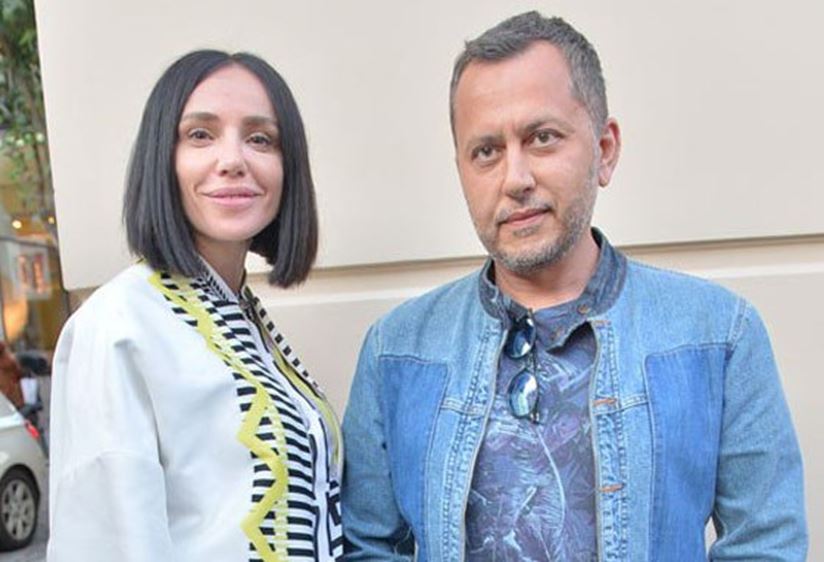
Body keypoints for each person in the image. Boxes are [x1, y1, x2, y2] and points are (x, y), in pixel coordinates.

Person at [341, 11, 807, 561]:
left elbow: (765, 544)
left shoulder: (718, 334)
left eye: (542, 138)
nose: (515, 179)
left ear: (604, 150)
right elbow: (367, 546)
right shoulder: (397, 350)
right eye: (486, 151)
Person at [49, 50, 343, 561]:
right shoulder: (120, 324)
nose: (233, 160)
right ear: (162, 158)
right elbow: (109, 542)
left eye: (260, 139)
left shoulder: (246, 319)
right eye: (200, 134)